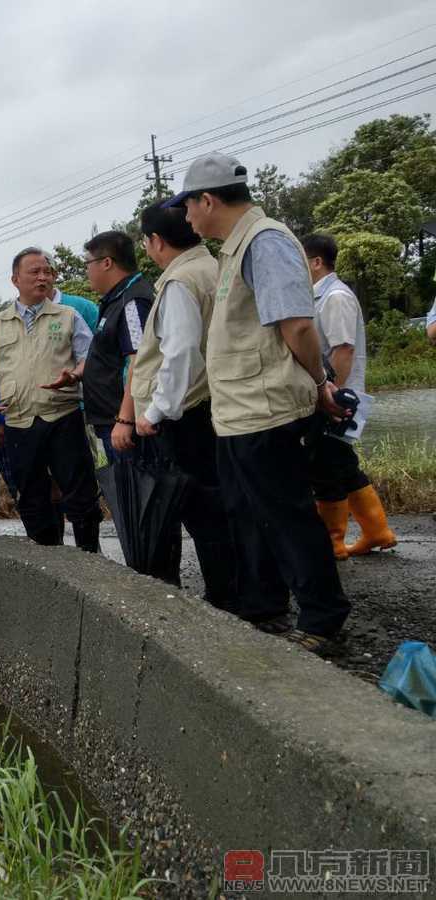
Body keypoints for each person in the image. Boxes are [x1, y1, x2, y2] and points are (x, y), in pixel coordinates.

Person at [170, 151, 350, 653]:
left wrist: (318, 382)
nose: (186, 217)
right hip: (238, 411)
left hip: (265, 408)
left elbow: (295, 324)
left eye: (188, 206)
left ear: (208, 200)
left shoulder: (265, 242)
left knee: (286, 514)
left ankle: (322, 619)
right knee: (249, 514)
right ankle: (263, 606)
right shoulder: (235, 247)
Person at [128, 203, 236, 610]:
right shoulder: (213, 268)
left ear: (156, 241)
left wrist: (155, 412)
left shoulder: (180, 282)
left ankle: (224, 599)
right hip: (215, 405)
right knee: (220, 505)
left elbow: (180, 353)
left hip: (186, 413)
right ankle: (234, 591)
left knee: (203, 511)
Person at [0, 247, 102, 551]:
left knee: (81, 496)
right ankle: (49, 559)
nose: (43, 277)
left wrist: (75, 374)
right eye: (35, 272)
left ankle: (89, 559)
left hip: (63, 417)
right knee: (31, 497)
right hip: (19, 420)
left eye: (48, 272)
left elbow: (88, 360)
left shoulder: (68, 316)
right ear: (15, 279)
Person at [302, 233, 397, 558]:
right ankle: (376, 531)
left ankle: (333, 543)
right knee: (343, 464)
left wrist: (332, 394)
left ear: (316, 262)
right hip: (338, 396)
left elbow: (343, 349)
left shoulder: (335, 297)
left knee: (325, 467)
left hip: (339, 398)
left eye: (304, 260)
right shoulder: (322, 296)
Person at [80, 231, 155, 463]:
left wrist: (125, 419)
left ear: (106, 263)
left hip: (125, 424)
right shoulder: (116, 298)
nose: (86, 271)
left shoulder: (132, 301)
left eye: (87, 263)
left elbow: (138, 362)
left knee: (136, 492)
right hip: (112, 419)